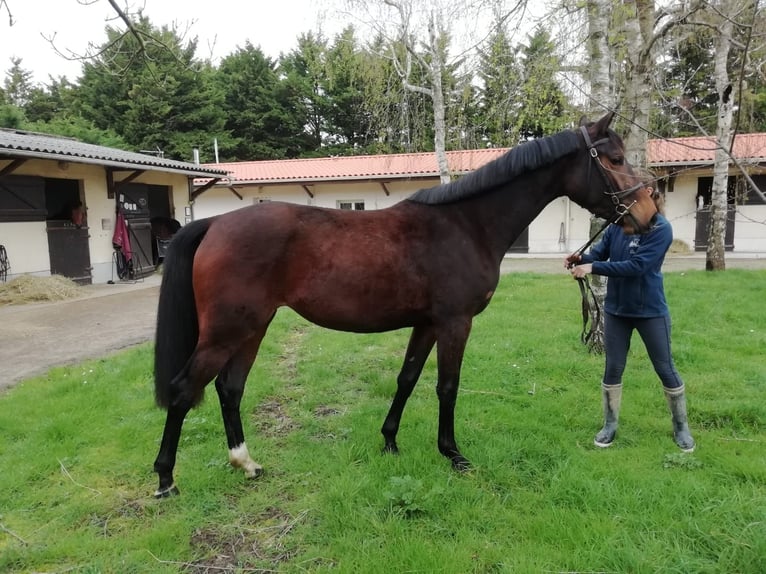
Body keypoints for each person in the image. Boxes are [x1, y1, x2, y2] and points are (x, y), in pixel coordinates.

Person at [565, 184, 695, 452]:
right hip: (617, 312)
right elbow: (599, 254)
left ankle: (681, 426)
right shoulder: (617, 226)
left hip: (650, 312)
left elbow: (638, 267)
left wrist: (592, 266)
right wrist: (581, 258)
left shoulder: (661, 229)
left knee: (665, 368)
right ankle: (610, 425)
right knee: (613, 368)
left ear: (647, 192)